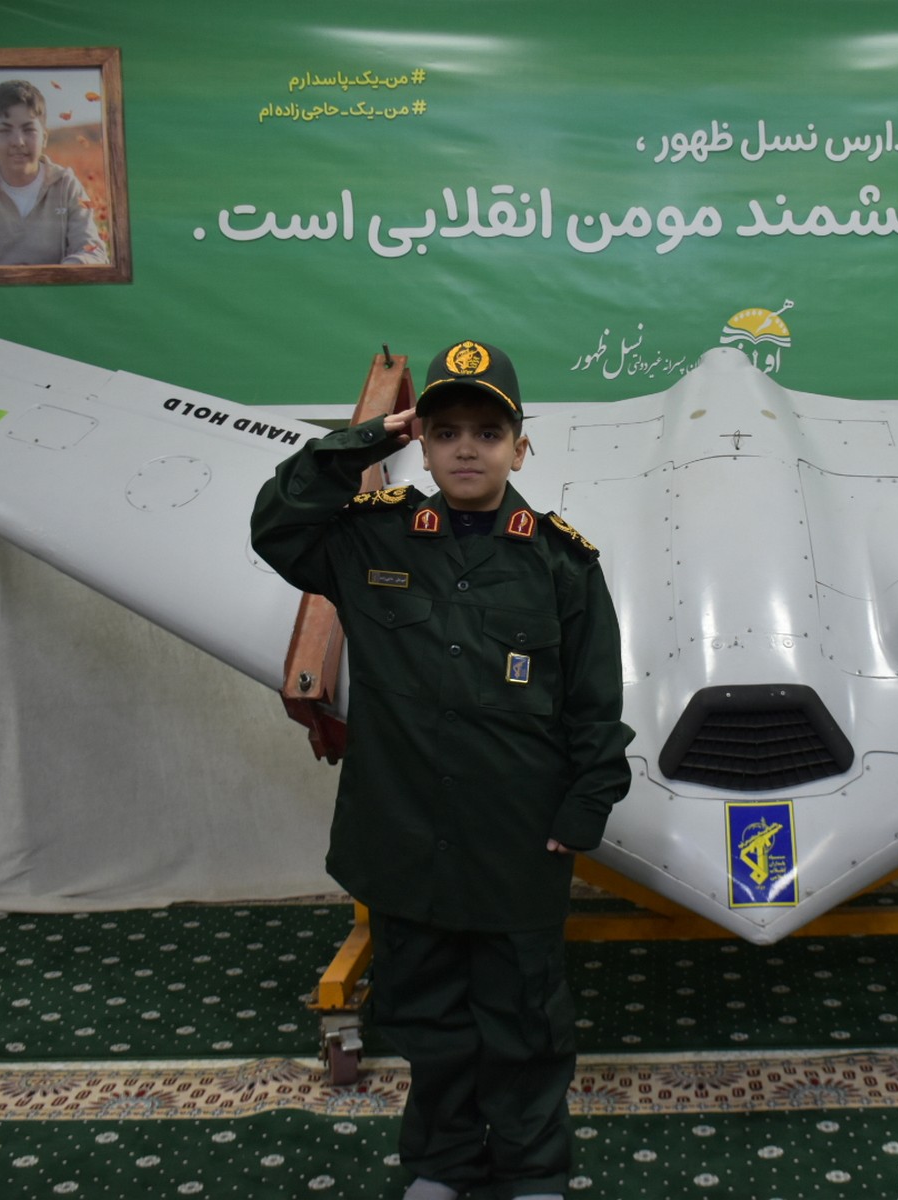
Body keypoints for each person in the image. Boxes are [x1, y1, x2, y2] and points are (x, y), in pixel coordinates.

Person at [251, 340, 634, 1200]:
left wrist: (582, 811)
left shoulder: (563, 564)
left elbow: (594, 703)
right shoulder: (369, 539)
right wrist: (364, 440)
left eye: (488, 433)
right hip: (404, 831)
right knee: (425, 1015)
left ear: (520, 449)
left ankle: (533, 1170)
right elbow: (276, 525)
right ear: (420, 445)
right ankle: (443, 1164)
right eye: (446, 431)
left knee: (525, 1019)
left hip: (515, 836)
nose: (467, 449)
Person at [0, 80, 108, 267]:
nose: (18, 141)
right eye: (5, 130)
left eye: (28, 130)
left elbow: (92, 251)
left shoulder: (66, 186)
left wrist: (57, 277)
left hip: (56, 285)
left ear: (44, 137)